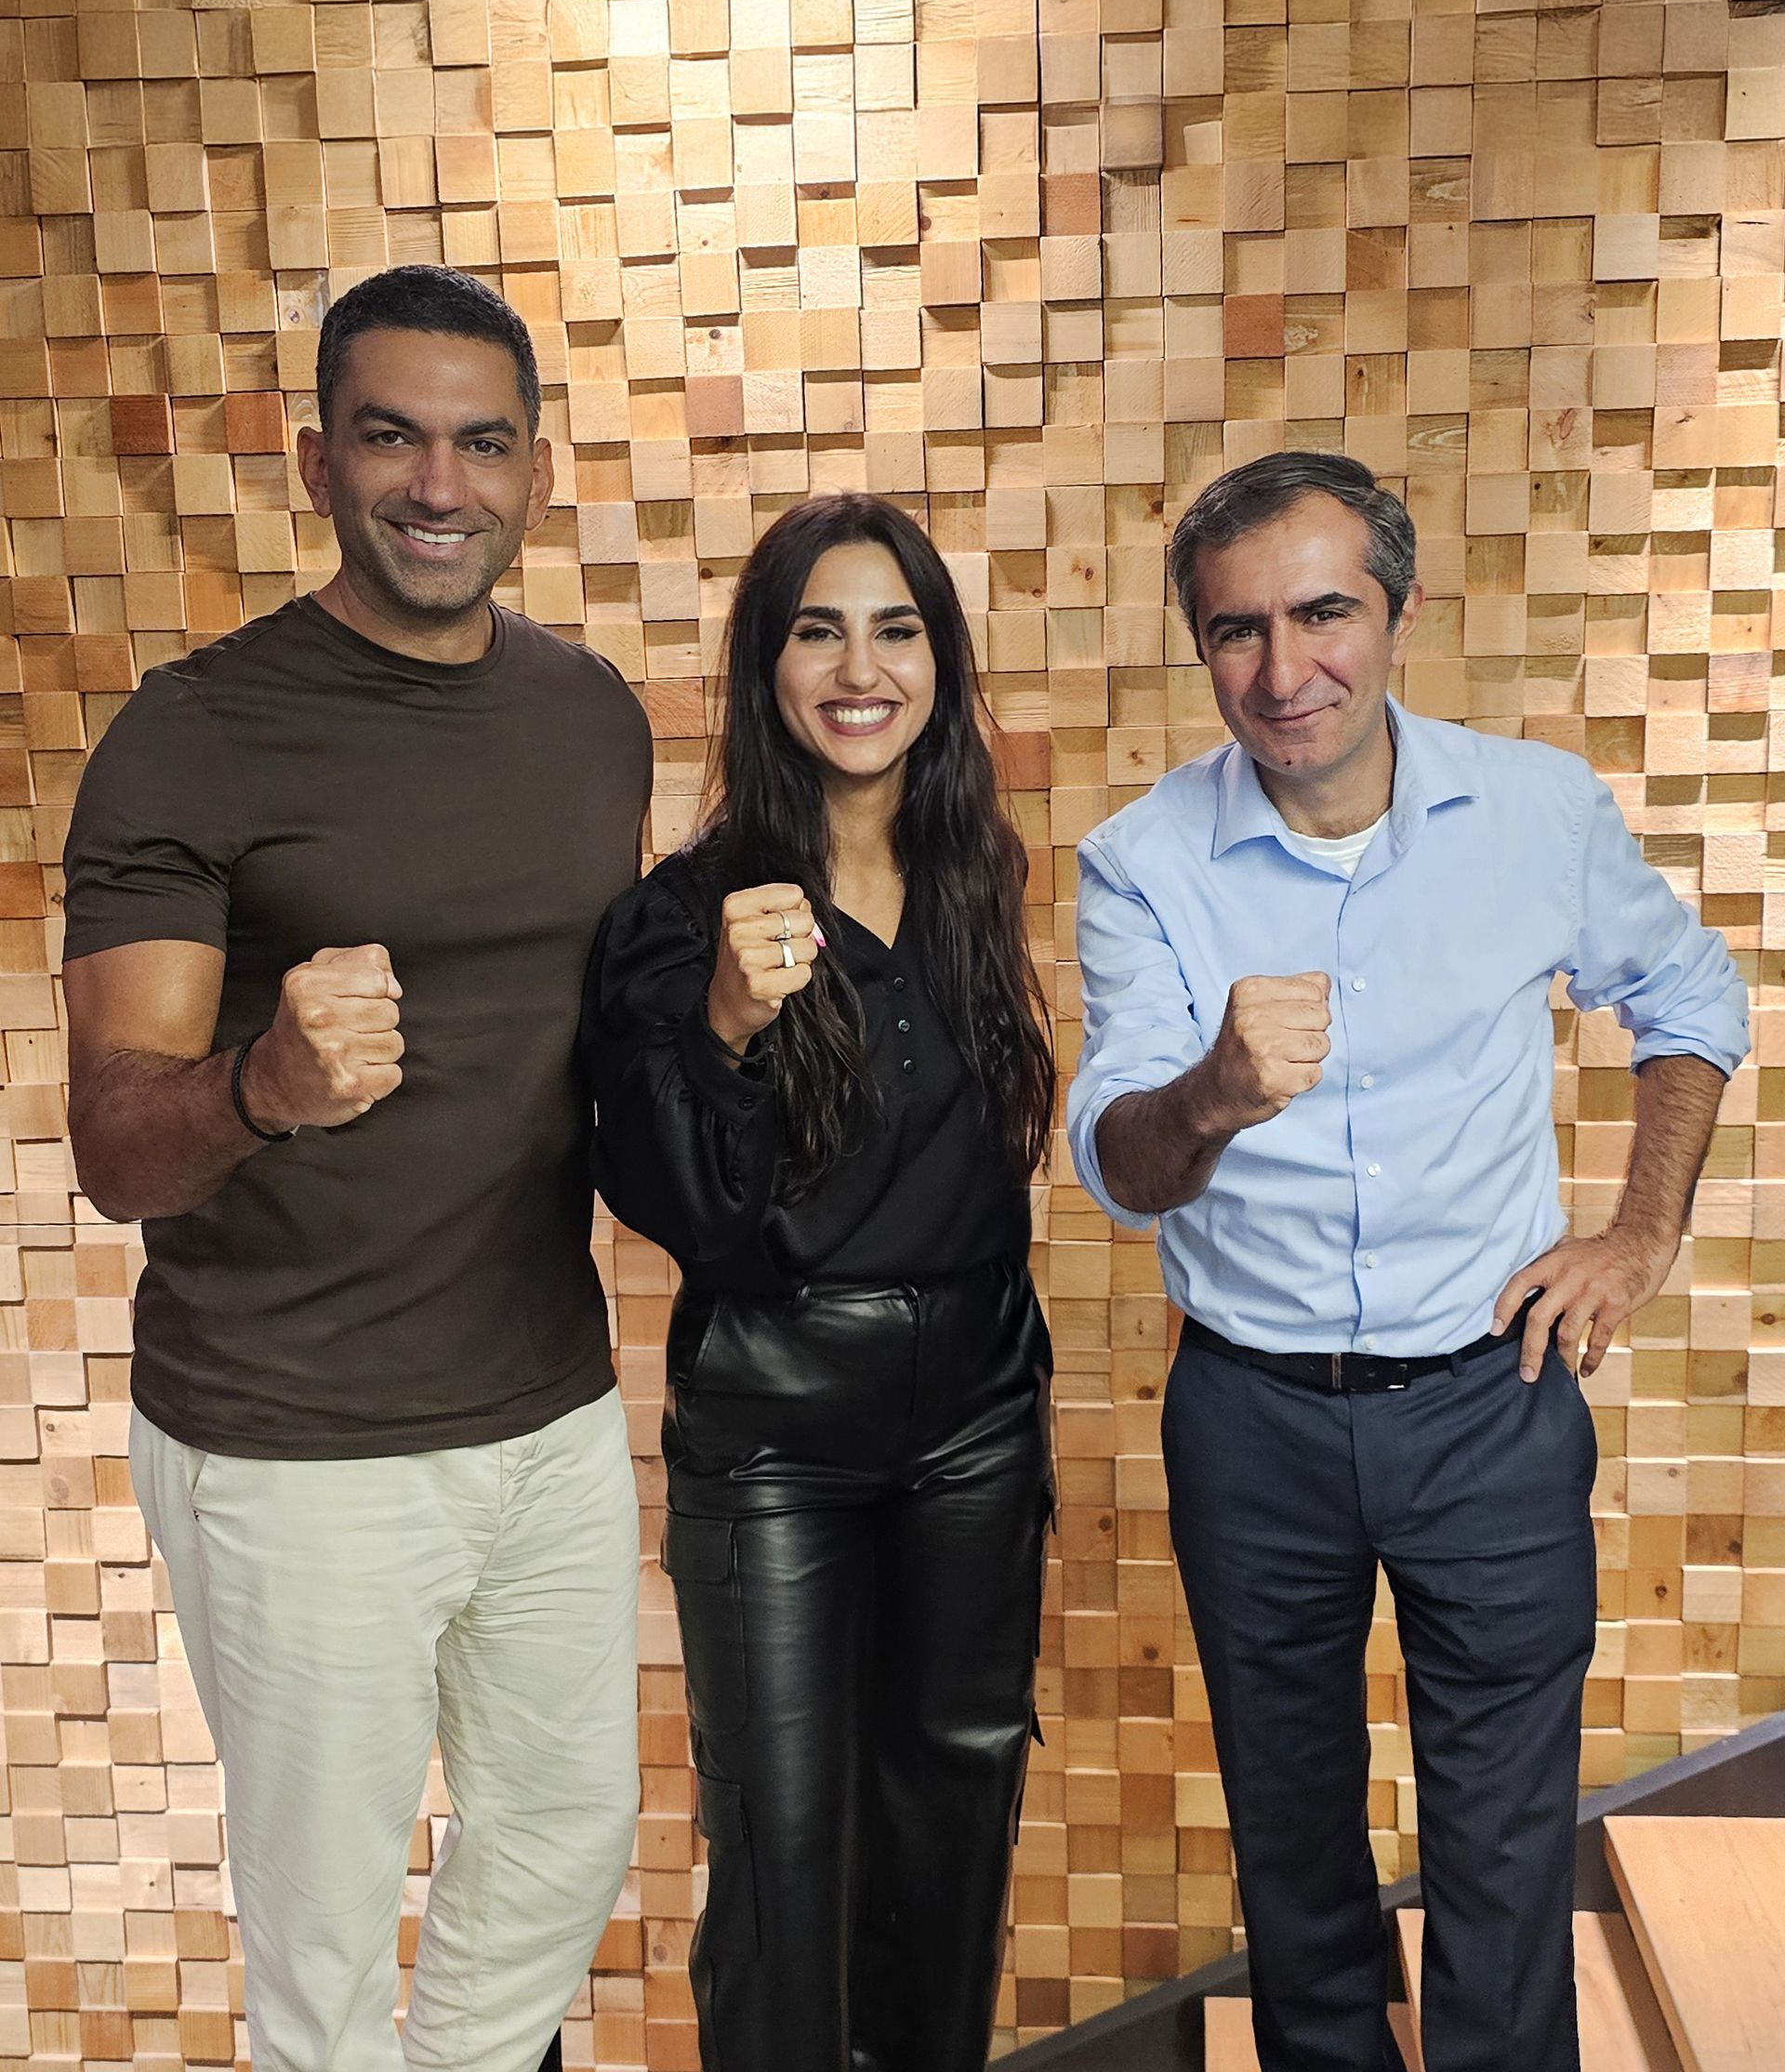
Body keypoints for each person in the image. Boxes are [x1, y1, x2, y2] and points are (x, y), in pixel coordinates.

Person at [1067, 451, 1748, 2072]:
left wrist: (1637, 1235)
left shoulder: (1535, 812)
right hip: (1254, 1423)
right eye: (1237, 633)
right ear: (1202, 650)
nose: (1283, 672)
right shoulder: (1142, 860)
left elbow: (1692, 1004)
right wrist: (1213, 1095)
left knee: (1505, 1851)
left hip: (1491, 1408)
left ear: (1400, 612)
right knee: (1294, 1848)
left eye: (1323, 616)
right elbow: (1116, 1163)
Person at [61, 265, 650, 2072]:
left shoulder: (590, 717)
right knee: (319, 1953)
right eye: (392, 437)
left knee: (564, 1840)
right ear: (318, 458)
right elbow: (112, 1148)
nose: (437, 486)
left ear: (537, 470)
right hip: (289, 1439)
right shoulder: (197, 731)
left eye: (481, 444)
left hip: (543, 1407)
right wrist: (262, 1086)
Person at [585, 493, 1056, 2072]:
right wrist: (723, 1022)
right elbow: (673, 1204)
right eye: (818, 629)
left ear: (940, 660)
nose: (860, 667)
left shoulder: (976, 873)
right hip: (776, 1421)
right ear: (766, 668)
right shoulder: (687, 909)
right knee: (785, 1856)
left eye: (897, 628)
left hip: (981, 1411)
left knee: (954, 1818)